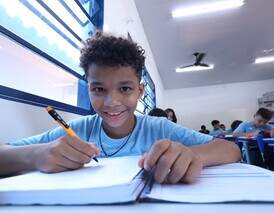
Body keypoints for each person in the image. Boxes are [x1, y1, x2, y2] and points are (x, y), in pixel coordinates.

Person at [0, 32, 240, 184]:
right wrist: (35, 155)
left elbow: (230, 149)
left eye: (125, 88)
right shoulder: (76, 130)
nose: (111, 102)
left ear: (140, 91)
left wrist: (193, 155)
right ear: (89, 89)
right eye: (98, 89)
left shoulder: (158, 128)